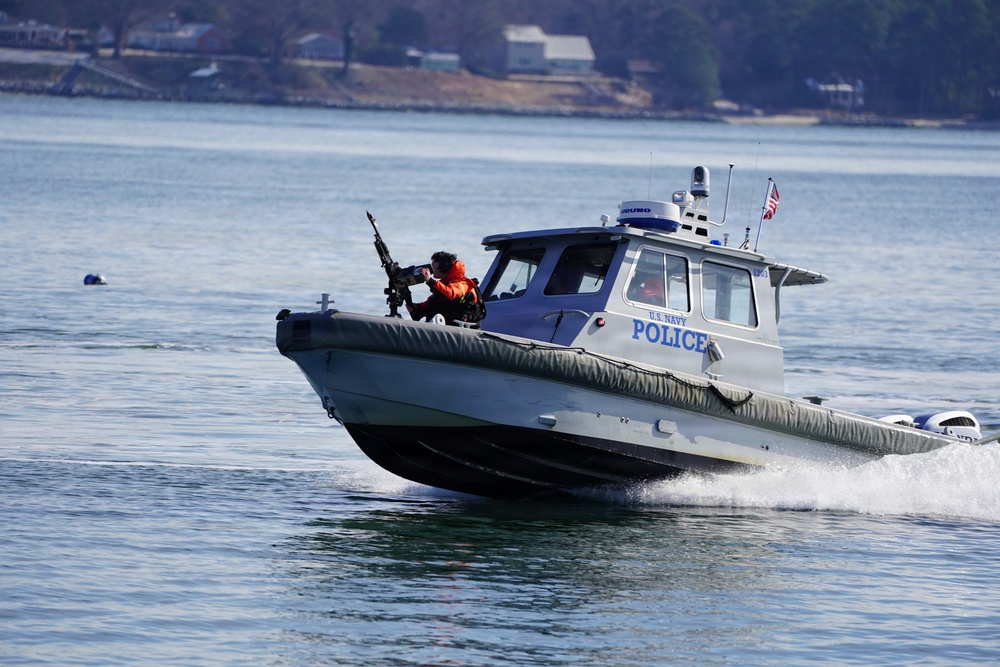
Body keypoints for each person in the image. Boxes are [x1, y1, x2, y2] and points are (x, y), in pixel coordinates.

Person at [407, 251, 485, 326]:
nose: (431, 268)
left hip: (460, 331)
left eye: (433, 265)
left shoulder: (464, 284)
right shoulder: (443, 285)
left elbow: (450, 294)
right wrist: (415, 308)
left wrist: (429, 280)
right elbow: (430, 304)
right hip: (443, 331)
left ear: (443, 266)